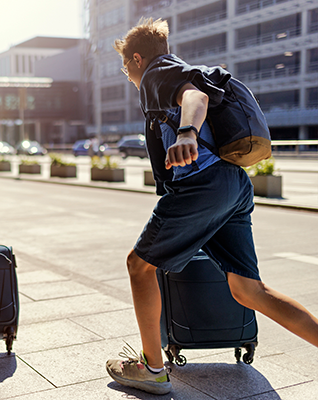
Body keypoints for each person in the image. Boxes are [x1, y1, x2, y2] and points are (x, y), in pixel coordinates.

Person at [106, 17, 318, 395]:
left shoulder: (158, 72)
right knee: (249, 290)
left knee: (139, 266)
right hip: (233, 183)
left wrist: (186, 132)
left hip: (202, 186)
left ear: (137, 58)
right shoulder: (176, 70)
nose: (127, 74)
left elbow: (195, 98)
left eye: (126, 67)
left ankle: (152, 368)